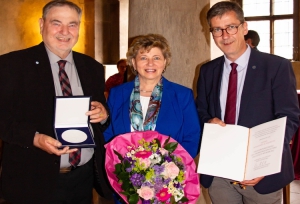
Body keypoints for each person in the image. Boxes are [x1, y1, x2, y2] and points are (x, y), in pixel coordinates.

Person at [0, 0, 113, 203]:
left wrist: (103, 115)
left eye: (72, 24)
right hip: (31, 181)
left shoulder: (93, 68)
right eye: (56, 23)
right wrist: (34, 138)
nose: (64, 31)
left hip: (82, 181)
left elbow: (99, 117)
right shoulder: (11, 65)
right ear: (41, 24)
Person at [196, 1, 299, 204]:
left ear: (244, 27)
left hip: (261, 175)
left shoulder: (276, 66)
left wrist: (263, 164)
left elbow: (289, 118)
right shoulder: (208, 70)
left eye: (231, 27)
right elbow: (200, 110)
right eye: (217, 29)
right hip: (219, 171)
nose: (225, 35)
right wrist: (209, 120)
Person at [103, 33, 201, 203]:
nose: (150, 63)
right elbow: (108, 134)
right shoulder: (117, 94)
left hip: (168, 187)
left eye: (156, 57)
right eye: (143, 58)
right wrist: (122, 172)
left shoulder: (182, 95)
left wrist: (169, 172)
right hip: (126, 186)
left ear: (165, 62)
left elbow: (192, 137)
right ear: (134, 62)